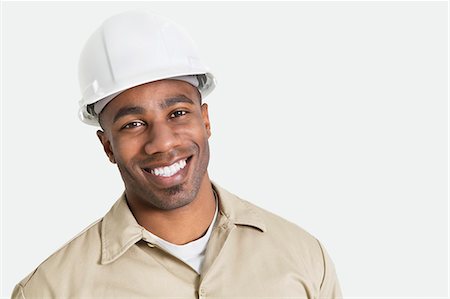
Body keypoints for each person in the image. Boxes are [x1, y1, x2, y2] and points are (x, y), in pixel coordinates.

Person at [12, 11, 342, 299]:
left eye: (178, 113)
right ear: (107, 146)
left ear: (206, 120)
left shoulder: (302, 256)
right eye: (133, 124)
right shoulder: (51, 290)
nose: (162, 143)